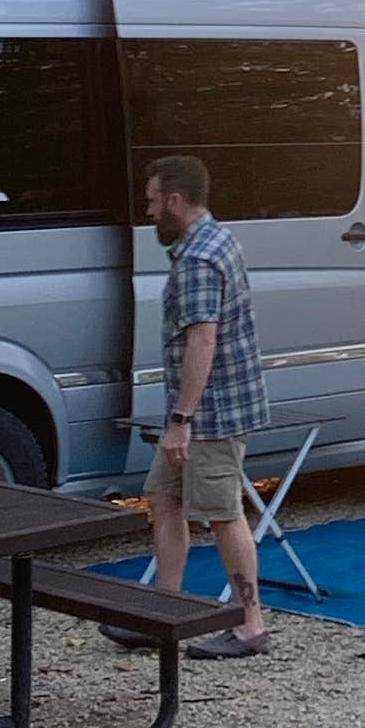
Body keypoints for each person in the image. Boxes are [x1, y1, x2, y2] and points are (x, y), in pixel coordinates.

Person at [141, 152, 270, 659]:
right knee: (164, 500)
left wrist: (181, 420)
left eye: (153, 202)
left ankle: (250, 625)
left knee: (221, 514)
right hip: (201, 410)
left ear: (175, 200)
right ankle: (163, 615)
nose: (149, 212)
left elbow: (202, 341)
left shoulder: (197, 259)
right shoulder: (216, 237)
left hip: (210, 414)